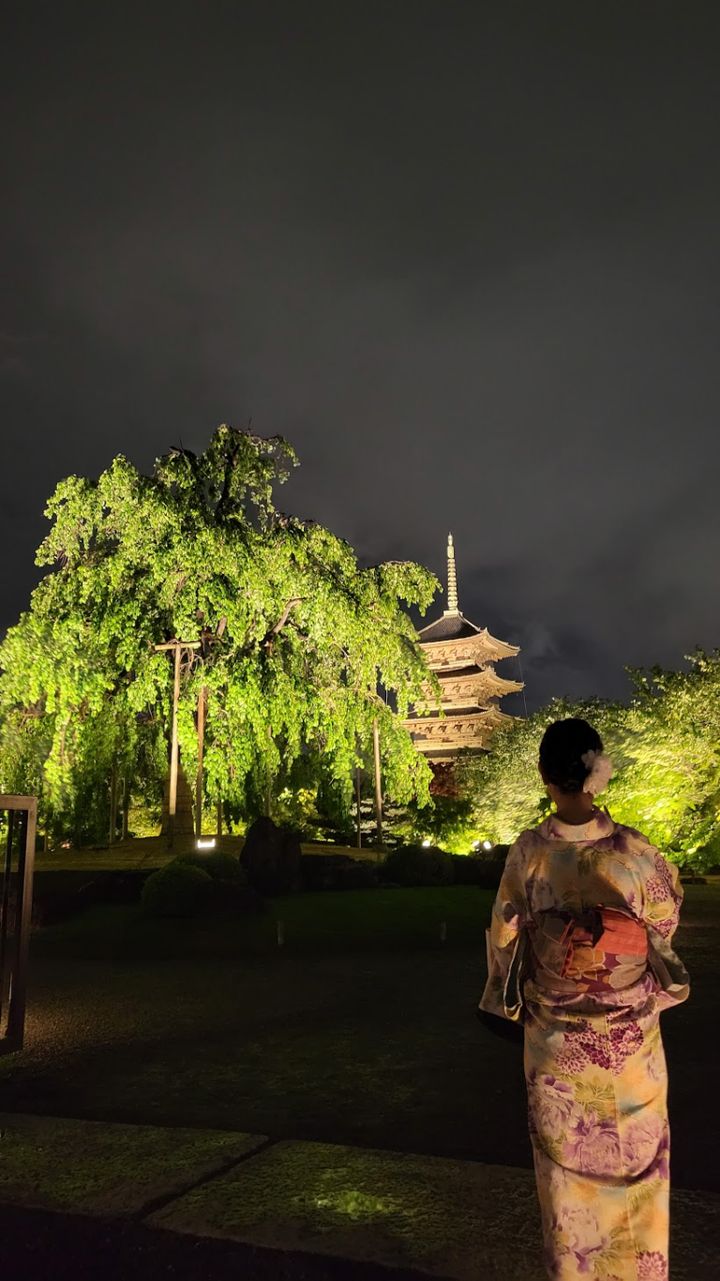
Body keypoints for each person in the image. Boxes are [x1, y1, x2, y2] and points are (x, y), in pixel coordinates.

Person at [479, 717, 689, 1281]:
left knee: (565, 1177)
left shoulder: (529, 853)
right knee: (640, 1168)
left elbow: (504, 933)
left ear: (544, 774)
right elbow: (665, 922)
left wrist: (508, 988)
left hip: (558, 1045)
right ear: (598, 771)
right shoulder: (634, 851)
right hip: (630, 1046)